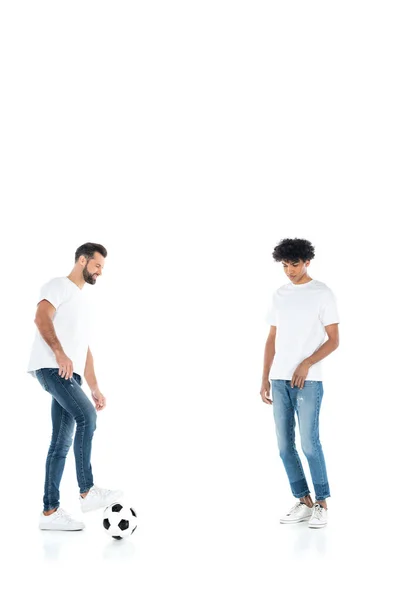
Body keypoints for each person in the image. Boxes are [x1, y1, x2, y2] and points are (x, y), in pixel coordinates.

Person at [27, 242, 122, 531]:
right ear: (82, 260)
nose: (99, 272)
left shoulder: (81, 302)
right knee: (87, 418)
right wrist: (58, 352)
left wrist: (94, 387)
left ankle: (49, 511)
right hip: (53, 368)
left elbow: (84, 350)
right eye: (97, 265)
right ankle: (87, 491)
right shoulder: (58, 286)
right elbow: (41, 317)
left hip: (71, 374)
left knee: (60, 443)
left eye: (102, 268)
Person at [260, 238, 339, 528]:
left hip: (309, 382)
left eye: (294, 264)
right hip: (279, 380)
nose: (289, 270)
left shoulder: (322, 293)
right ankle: (304, 500)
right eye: (284, 265)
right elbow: (272, 339)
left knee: (309, 444)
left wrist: (306, 364)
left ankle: (322, 503)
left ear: (307, 262)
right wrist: (265, 377)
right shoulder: (279, 294)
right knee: (284, 446)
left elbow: (334, 340)